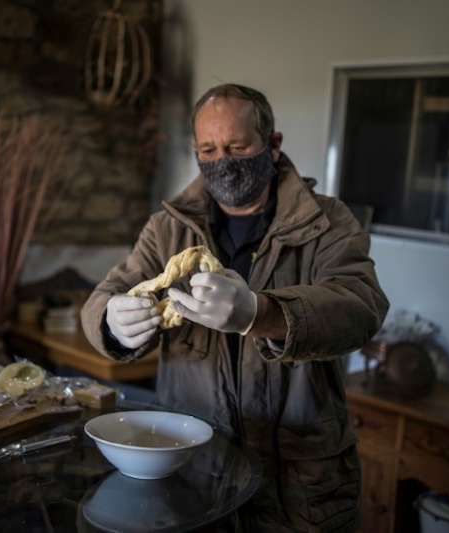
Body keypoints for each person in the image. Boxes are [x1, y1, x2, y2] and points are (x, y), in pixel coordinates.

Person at [80, 83, 389, 532]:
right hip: (192, 468)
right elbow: (105, 297)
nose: (221, 159)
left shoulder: (328, 222)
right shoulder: (167, 229)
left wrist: (261, 314)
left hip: (298, 483)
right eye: (208, 148)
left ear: (273, 145)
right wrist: (111, 322)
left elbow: (362, 307)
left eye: (237, 146)